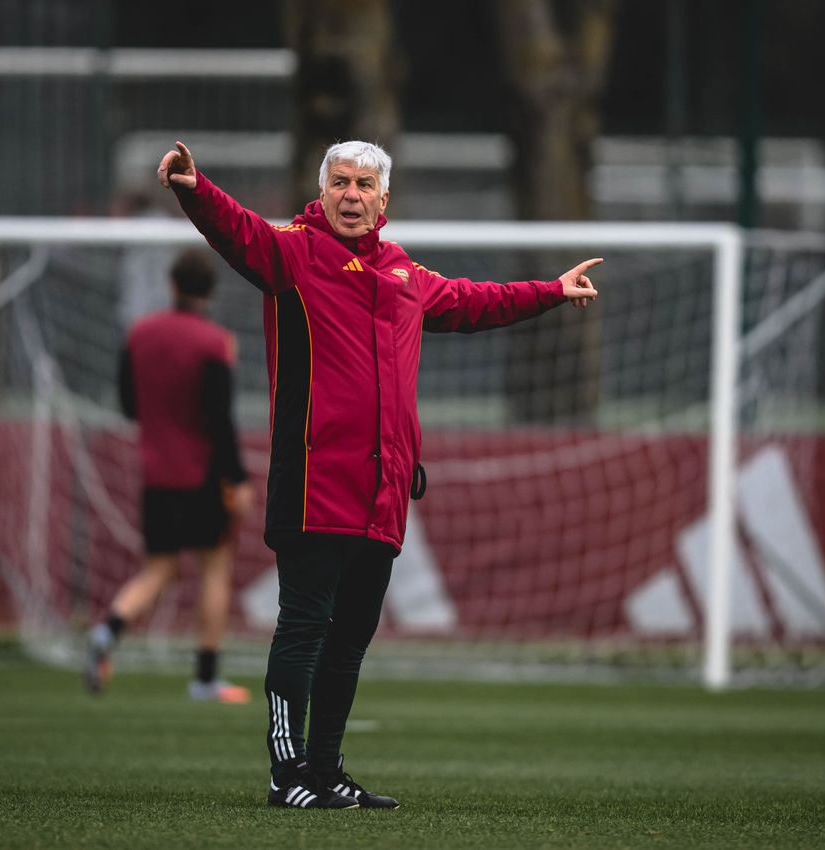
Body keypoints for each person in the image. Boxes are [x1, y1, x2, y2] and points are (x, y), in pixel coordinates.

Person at [157, 139, 601, 810]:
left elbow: (475, 300)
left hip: (383, 491)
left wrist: (550, 291)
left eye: (365, 184)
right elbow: (236, 231)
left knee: (349, 642)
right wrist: (194, 188)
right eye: (340, 182)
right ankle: (287, 776)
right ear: (323, 189)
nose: (352, 194)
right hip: (313, 482)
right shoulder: (292, 255)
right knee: (303, 628)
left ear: (384, 199)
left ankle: (327, 771)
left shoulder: (403, 273)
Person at [84, 248, 256, 705]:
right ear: (209, 291)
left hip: (156, 473)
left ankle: (107, 630)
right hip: (203, 474)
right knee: (214, 569)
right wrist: (237, 480)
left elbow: (127, 405)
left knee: (158, 570)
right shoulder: (215, 342)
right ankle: (204, 677)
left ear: (173, 285)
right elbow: (221, 419)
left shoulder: (140, 335)